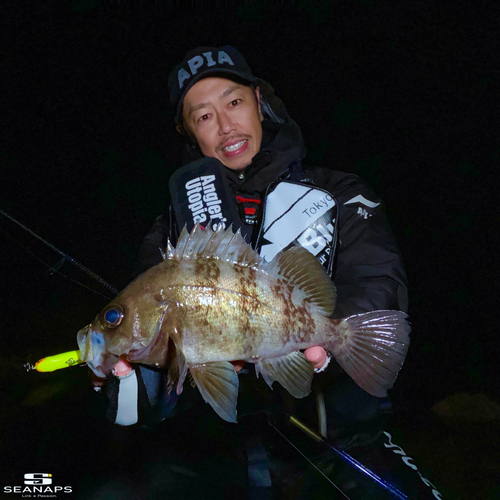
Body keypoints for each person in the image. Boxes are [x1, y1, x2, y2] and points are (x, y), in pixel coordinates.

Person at [92, 46, 442, 499]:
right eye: (203, 116)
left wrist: (330, 339)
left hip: (333, 441)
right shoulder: (171, 232)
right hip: (212, 453)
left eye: (233, 102)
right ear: (190, 133)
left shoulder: (340, 193)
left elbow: (378, 280)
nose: (225, 126)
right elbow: (152, 380)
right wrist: (122, 375)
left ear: (259, 101)